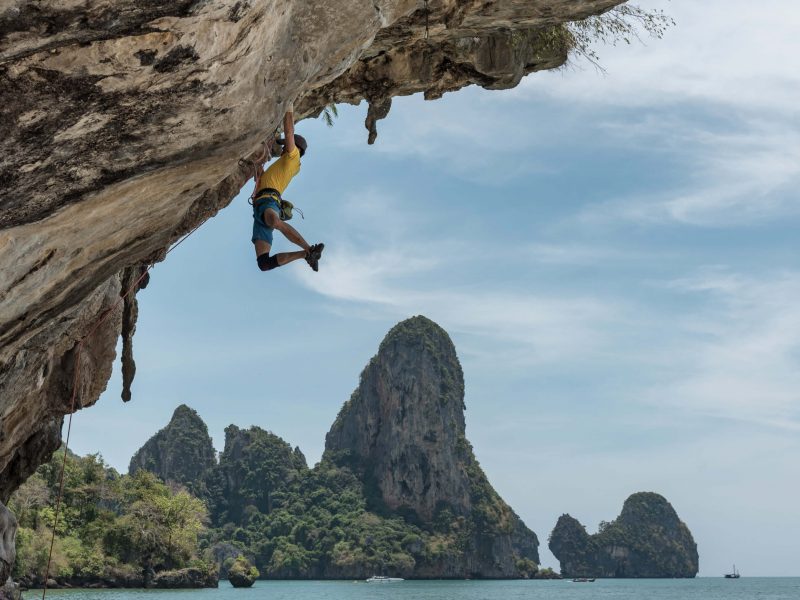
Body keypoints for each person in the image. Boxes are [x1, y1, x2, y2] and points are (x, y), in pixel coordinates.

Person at [251, 103, 324, 272]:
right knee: (264, 263)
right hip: (260, 206)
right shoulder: (285, 165)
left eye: (285, 145)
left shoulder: (293, 157)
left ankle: (309, 249)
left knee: (276, 222)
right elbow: (261, 178)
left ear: (295, 148)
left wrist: (288, 106)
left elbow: (289, 132)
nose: (283, 147)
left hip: (269, 201)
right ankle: (306, 254)